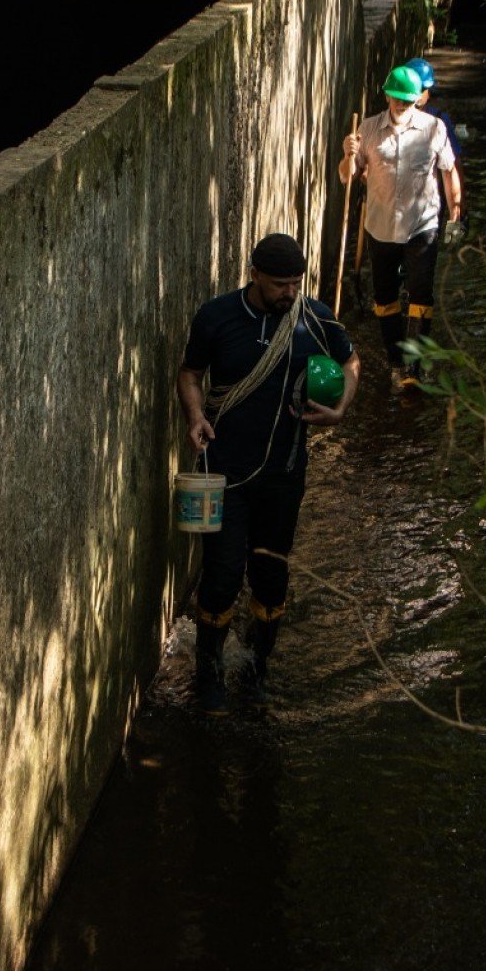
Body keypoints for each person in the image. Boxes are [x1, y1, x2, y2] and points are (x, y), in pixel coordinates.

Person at [178, 233, 358, 713]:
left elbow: (349, 362)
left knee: (271, 575)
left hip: (284, 471)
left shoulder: (315, 320)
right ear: (254, 274)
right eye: (279, 284)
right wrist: (196, 416)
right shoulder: (216, 317)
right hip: (224, 472)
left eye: (295, 284)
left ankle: (258, 667)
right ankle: (208, 673)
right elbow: (190, 373)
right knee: (220, 576)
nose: (288, 293)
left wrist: (340, 407)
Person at [345, 65, 464, 390]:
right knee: (384, 299)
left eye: (408, 101)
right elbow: (348, 177)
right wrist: (349, 156)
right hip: (380, 228)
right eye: (397, 99)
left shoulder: (434, 128)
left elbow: (449, 170)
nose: (401, 105)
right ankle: (396, 362)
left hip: (421, 226)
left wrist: (455, 214)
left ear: (417, 100)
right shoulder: (367, 130)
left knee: (421, 293)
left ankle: (414, 367)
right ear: (387, 95)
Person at [406, 55, 469, 234]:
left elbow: (454, 163)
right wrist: (459, 207)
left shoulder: (439, 120)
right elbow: (455, 163)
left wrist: (458, 205)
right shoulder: (440, 119)